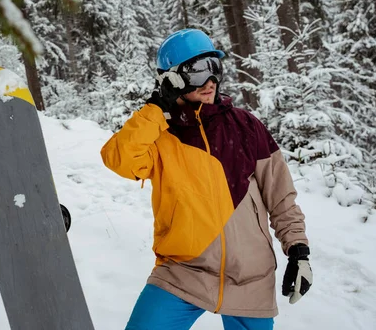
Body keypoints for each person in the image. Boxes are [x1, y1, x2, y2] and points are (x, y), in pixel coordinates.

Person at [100, 29, 312, 330]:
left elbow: (281, 197)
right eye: (197, 71)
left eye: (214, 68)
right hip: (183, 271)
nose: (210, 81)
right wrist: (157, 108)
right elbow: (118, 159)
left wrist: (298, 250)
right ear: (171, 78)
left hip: (249, 277)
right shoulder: (160, 135)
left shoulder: (246, 126)